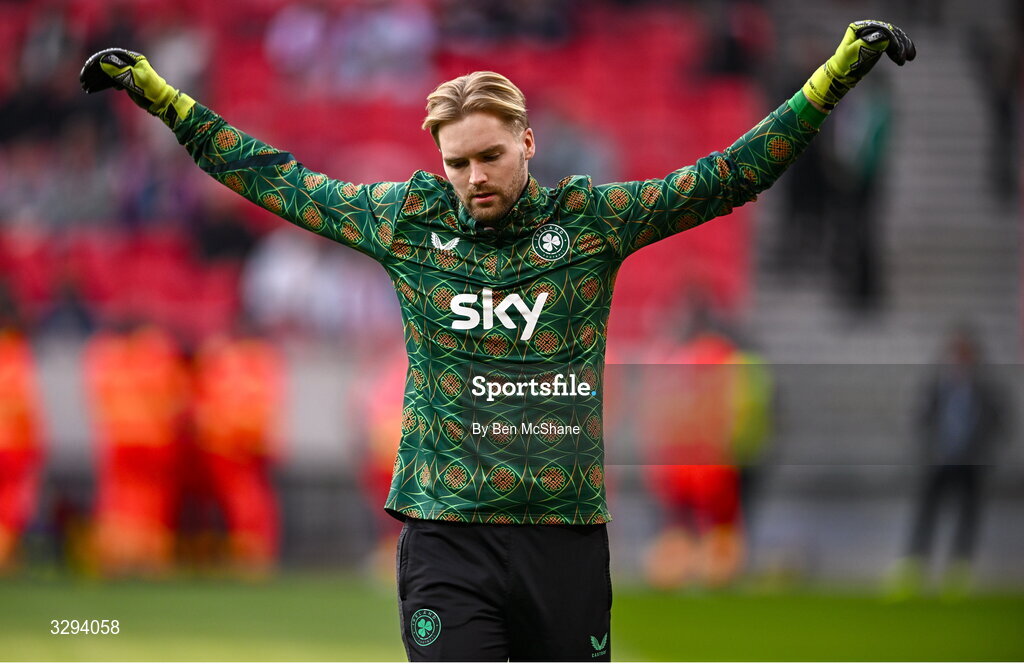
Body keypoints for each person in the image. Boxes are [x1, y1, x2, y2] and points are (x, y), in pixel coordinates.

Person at [80, 21, 914, 660]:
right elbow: (274, 177)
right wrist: (165, 99)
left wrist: (833, 77)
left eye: (488, 156)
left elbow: (731, 175)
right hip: (448, 536)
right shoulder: (405, 221)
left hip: (565, 539)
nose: (473, 177)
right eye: (456, 162)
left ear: (527, 143)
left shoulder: (592, 224)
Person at [891, 326, 1007, 598]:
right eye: (955, 350)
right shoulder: (936, 385)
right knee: (926, 513)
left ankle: (958, 569)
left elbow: (1000, 422)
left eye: (964, 351)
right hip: (938, 460)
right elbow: (921, 418)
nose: (959, 356)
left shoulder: (985, 388)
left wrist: (984, 450)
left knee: (967, 516)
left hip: (971, 462)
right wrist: (927, 448)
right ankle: (915, 565)